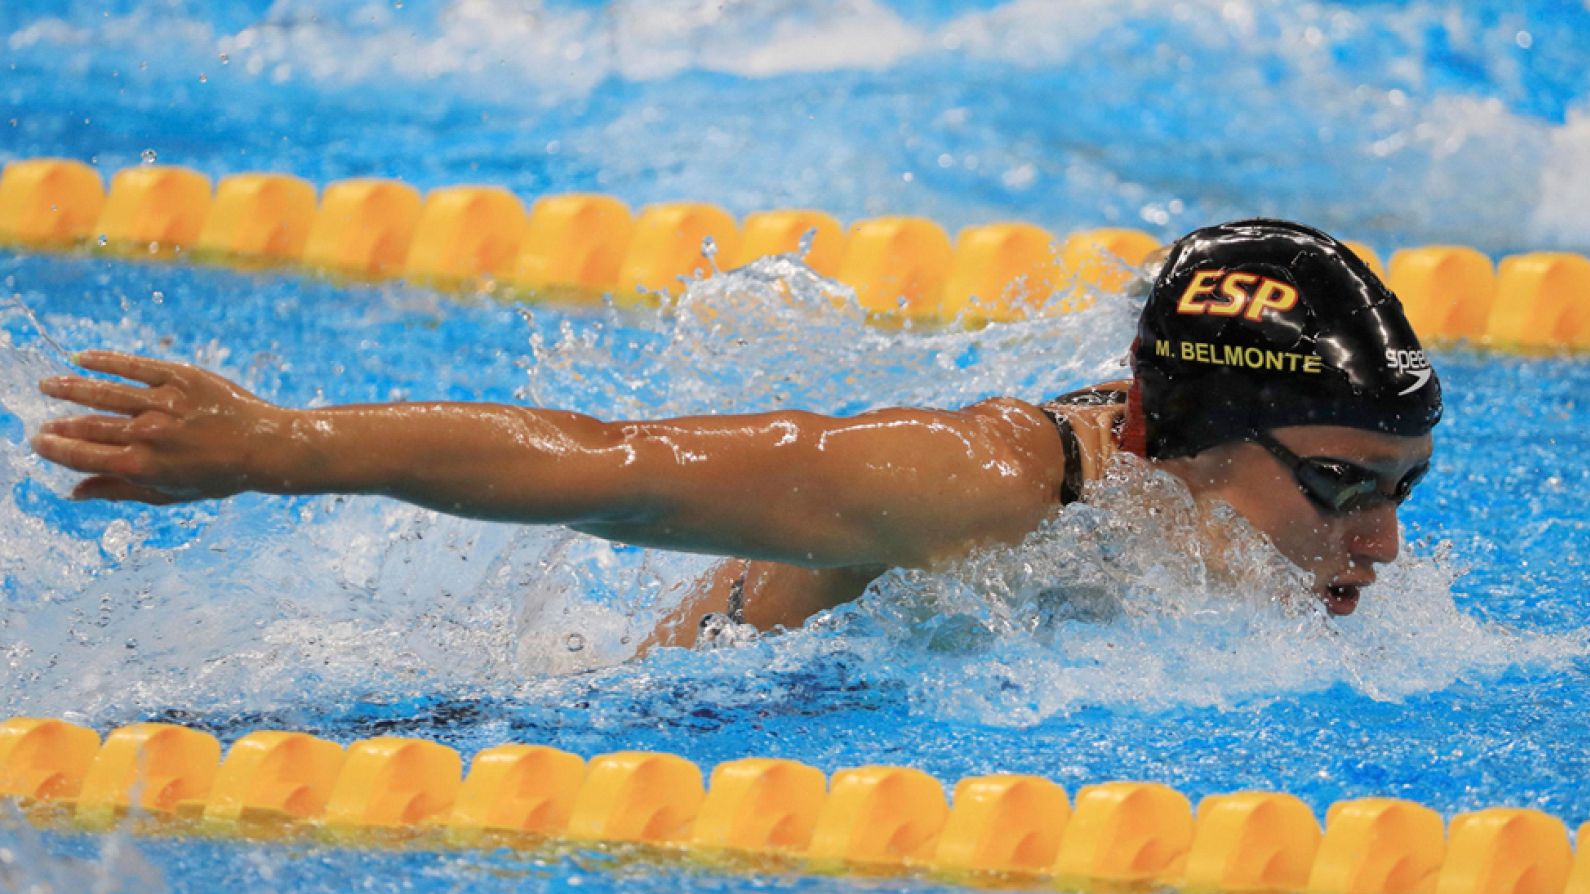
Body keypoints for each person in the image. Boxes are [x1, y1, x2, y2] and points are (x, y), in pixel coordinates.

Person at [30, 219, 1440, 647]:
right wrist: (282, 448)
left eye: (1400, 489)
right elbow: (618, 469)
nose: (1379, 542)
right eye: (1339, 487)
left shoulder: (1209, 509)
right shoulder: (980, 482)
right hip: (681, 716)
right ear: (1170, 438)